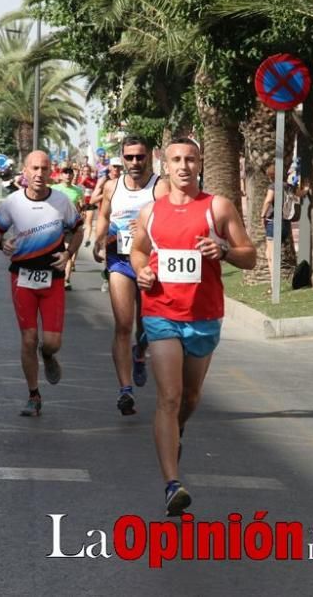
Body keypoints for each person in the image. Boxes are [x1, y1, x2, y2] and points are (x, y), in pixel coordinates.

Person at [130, 137, 256, 517]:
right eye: (176, 160)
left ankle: (176, 431)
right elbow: (138, 249)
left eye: (190, 159)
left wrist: (225, 251)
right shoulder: (150, 212)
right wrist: (142, 271)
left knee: (189, 399)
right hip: (161, 313)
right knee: (169, 397)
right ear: (164, 166)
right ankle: (172, 484)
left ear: (200, 164)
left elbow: (249, 256)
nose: (183, 166)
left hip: (202, 317)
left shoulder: (217, 207)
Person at [0, 151, 84, 417]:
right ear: (25, 171)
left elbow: (78, 229)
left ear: (50, 171)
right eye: (34, 168)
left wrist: (67, 254)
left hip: (52, 277)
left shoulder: (61, 201)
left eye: (44, 168)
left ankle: (49, 355)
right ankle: (33, 394)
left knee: (52, 342)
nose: (39, 174)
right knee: (28, 339)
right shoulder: (12, 203)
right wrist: (3, 243)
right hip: (22, 276)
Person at [95, 136, 169, 416]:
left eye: (140, 157)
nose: (135, 162)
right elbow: (104, 214)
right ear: (122, 158)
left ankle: (141, 352)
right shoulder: (113, 186)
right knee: (123, 325)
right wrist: (98, 239)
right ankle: (125, 390)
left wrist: (150, 223)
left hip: (151, 263)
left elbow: (171, 217)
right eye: (129, 157)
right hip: (120, 261)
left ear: (149, 156)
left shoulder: (160, 187)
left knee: (147, 326)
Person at [91, 158, 124, 292]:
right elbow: (93, 199)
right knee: (106, 252)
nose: (116, 170)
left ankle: (119, 276)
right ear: (109, 167)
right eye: (114, 167)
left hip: (119, 221)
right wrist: (106, 194)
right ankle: (107, 278)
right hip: (105, 219)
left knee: (120, 251)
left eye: (119, 167)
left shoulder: (124, 181)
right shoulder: (103, 180)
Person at [51, 167, 85, 290]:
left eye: (70, 173)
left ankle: (66, 279)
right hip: (56, 224)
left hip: (71, 224)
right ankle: (54, 276)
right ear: (61, 175)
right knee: (54, 250)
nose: (68, 176)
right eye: (65, 173)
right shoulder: (54, 189)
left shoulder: (78, 190)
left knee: (68, 251)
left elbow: (82, 206)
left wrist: (82, 210)